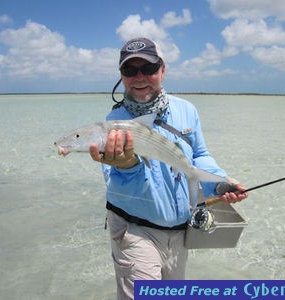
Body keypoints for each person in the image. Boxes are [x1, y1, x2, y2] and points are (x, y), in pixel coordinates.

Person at [89, 37, 248, 299]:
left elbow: (199, 155)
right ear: (121, 75)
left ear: (163, 70)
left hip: (179, 230)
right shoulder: (114, 122)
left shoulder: (187, 110)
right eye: (130, 70)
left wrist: (218, 183)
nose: (139, 77)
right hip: (134, 229)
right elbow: (115, 184)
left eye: (149, 69)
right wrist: (128, 166)